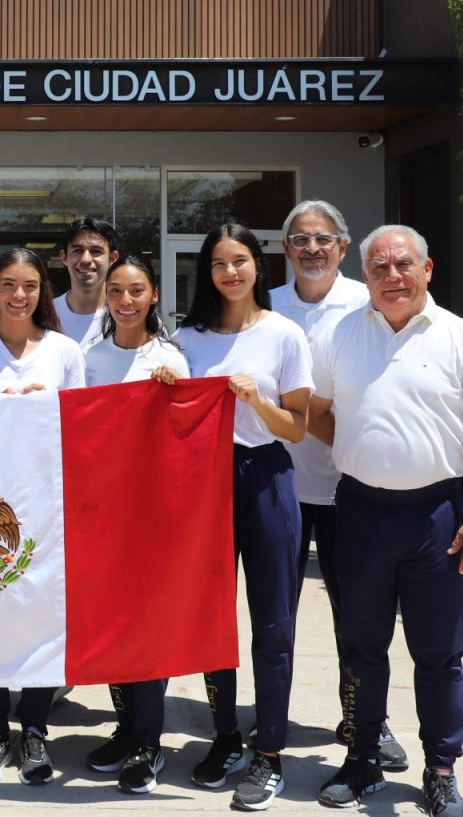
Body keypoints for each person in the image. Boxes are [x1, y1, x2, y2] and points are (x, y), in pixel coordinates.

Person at [309, 225, 463, 817]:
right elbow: (318, 413)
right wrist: (359, 447)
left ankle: (441, 769)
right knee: (362, 646)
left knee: (439, 654)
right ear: (364, 275)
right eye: (379, 267)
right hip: (361, 513)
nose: (392, 276)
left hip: (437, 518)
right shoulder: (341, 334)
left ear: (427, 270)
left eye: (403, 265)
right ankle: (363, 758)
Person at [176, 223, 311, 812]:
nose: (229, 272)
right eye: (218, 263)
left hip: (265, 477)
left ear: (258, 265)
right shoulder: (186, 339)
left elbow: (298, 429)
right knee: (211, 618)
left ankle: (270, 751)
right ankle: (226, 735)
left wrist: (257, 400)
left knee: (273, 621)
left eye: (239, 261)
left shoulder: (284, 334)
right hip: (204, 483)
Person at [270, 201, 407, 772]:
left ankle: (366, 720)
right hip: (279, 489)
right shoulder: (266, 306)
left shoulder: (367, 302)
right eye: (300, 240)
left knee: (357, 618)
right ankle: (269, 722)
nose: (312, 249)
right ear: (286, 249)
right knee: (276, 617)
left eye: (322, 239)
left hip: (349, 490)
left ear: (343, 248)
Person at [0, 247, 87, 787]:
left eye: (29, 285)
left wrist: (46, 406)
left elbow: (82, 429)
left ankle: (34, 730)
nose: (18, 295)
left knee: (40, 618)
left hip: (46, 503)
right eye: (7, 284)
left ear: (42, 291)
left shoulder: (65, 352)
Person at [79, 255, 188, 793]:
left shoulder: (170, 358)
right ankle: (126, 729)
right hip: (102, 513)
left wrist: (173, 394)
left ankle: (149, 741)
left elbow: (185, 435)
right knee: (113, 625)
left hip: (151, 516)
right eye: (117, 291)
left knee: (147, 627)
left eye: (136, 291)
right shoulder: (90, 358)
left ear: (153, 296)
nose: (126, 301)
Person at [53, 217, 119, 347]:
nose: (86, 259)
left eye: (96, 251)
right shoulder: (44, 314)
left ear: (112, 258)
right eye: (78, 250)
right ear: (64, 257)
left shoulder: (128, 315)